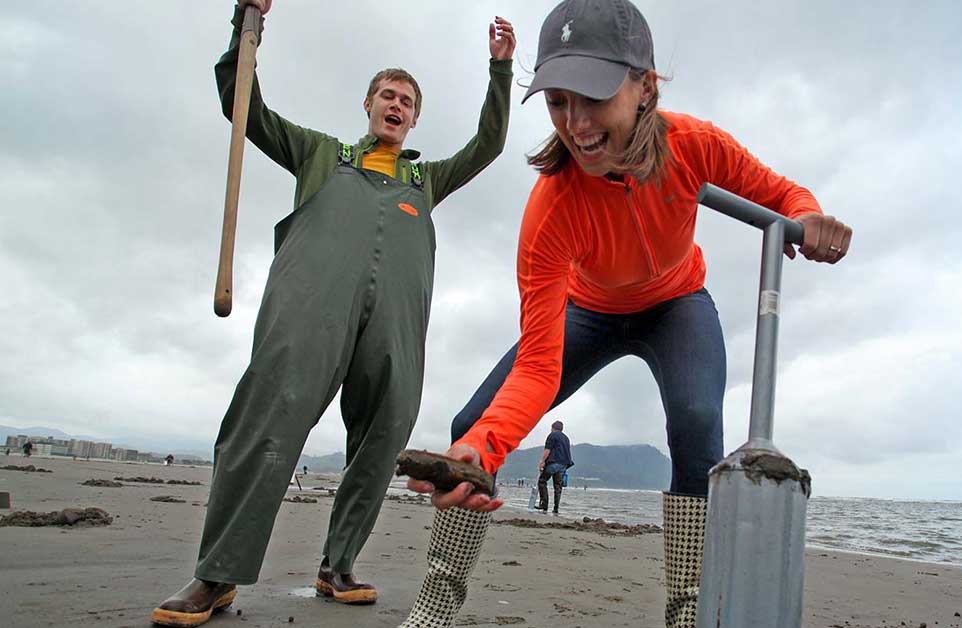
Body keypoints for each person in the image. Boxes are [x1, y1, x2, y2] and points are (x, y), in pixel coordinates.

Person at [402, 1, 851, 627]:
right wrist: (483, 445)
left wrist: (809, 219)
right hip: (589, 310)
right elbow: (537, 366)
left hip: (676, 305)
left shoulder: (693, 146)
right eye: (558, 101)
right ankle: (434, 608)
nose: (575, 123)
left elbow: (783, 196)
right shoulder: (552, 209)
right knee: (474, 421)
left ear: (645, 85)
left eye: (591, 96)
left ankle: (687, 612)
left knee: (697, 421)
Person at [150, 2, 515, 626]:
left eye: (406, 100)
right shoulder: (319, 154)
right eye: (386, 96)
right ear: (368, 105)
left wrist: (499, 72)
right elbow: (246, 108)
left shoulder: (427, 178)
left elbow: (487, 145)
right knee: (267, 415)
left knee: (386, 432)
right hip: (309, 308)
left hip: (395, 321)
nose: (395, 106)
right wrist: (248, 23)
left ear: (415, 116)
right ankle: (216, 574)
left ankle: (337, 563)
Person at [536, 420, 573, 514]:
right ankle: (556, 508)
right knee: (558, 487)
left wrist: (542, 462)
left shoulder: (552, 435)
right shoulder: (566, 438)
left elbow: (547, 450)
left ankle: (544, 504)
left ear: (553, 428)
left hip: (553, 463)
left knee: (542, 481)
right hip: (563, 465)